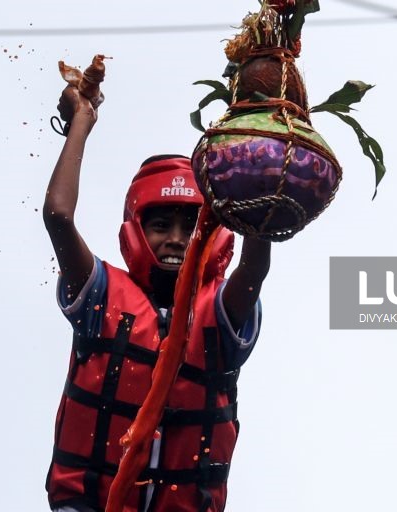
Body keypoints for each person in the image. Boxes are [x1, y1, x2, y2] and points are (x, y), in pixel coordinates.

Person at [42, 84, 272, 512]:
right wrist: (81, 122)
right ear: (135, 228)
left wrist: (264, 159)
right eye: (161, 225)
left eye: (190, 228)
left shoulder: (221, 313)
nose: (175, 240)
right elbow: (58, 216)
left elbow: (255, 268)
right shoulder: (101, 296)